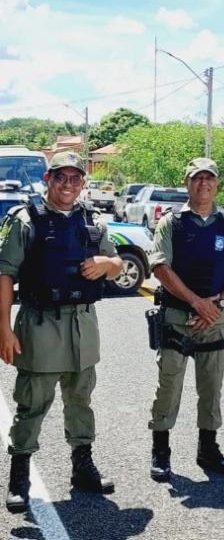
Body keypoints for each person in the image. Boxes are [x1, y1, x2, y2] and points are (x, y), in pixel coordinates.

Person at [0, 151, 122, 513]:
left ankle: (82, 467)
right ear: (47, 180)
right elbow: (5, 274)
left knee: (80, 399)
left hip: (82, 324)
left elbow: (116, 266)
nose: (68, 185)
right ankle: (19, 476)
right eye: (60, 178)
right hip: (40, 323)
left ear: (83, 183)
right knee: (33, 402)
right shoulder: (25, 220)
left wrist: (107, 263)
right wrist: (4, 329)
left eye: (75, 179)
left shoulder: (94, 222)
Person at [148, 157, 224, 481]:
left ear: (217, 183)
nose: (203, 184)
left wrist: (217, 305)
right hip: (178, 318)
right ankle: (161, 452)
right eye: (196, 178)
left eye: (209, 178)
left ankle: (208, 448)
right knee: (169, 388)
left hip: (214, 320)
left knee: (211, 389)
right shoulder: (172, 222)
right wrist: (195, 302)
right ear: (187, 182)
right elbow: (160, 267)